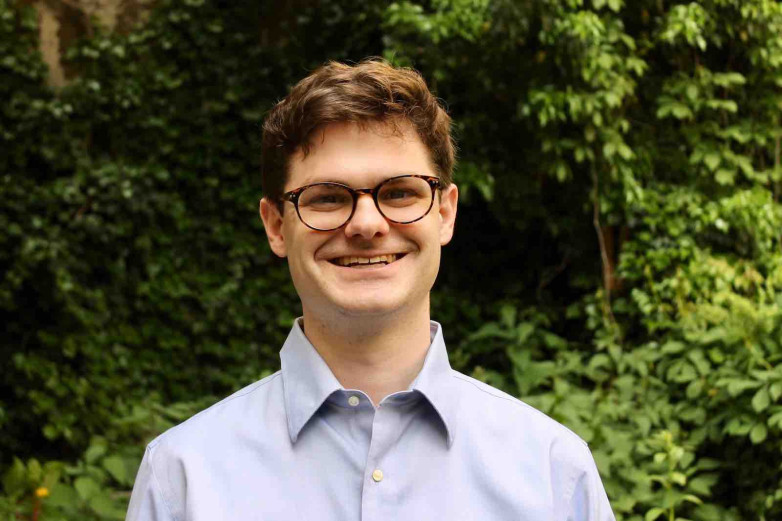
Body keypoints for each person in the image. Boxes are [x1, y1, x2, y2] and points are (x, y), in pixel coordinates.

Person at [125, 58, 615, 521]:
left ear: (445, 213)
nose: (366, 224)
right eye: (326, 198)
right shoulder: (183, 479)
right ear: (275, 226)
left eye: (399, 192)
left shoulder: (554, 475)